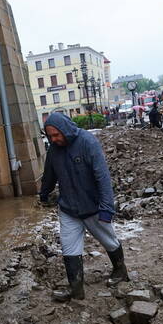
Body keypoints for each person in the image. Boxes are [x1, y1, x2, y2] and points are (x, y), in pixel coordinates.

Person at [39, 113, 129, 301]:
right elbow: (49, 174)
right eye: (50, 137)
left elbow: (102, 178)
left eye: (56, 135)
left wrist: (106, 208)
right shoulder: (54, 150)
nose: (54, 140)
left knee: (109, 240)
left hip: (93, 206)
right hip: (68, 208)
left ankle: (120, 270)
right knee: (69, 247)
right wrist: (44, 193)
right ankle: (76, 290)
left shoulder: (88, 143)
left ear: (65, 130)